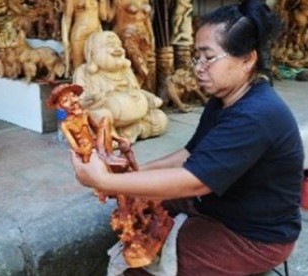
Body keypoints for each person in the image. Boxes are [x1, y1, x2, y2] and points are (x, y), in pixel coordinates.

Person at [70, 0, 305, 275]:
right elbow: (189, 154)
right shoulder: (224, 99)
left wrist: (105, 180)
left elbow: (195, 182)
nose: (198, 68)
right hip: (225, 206)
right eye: (197, 57)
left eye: (208, 58)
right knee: (142, 212)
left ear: (247, 59)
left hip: (255, 236)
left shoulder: (256, 114)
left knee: (142, 257)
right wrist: (133, 174)